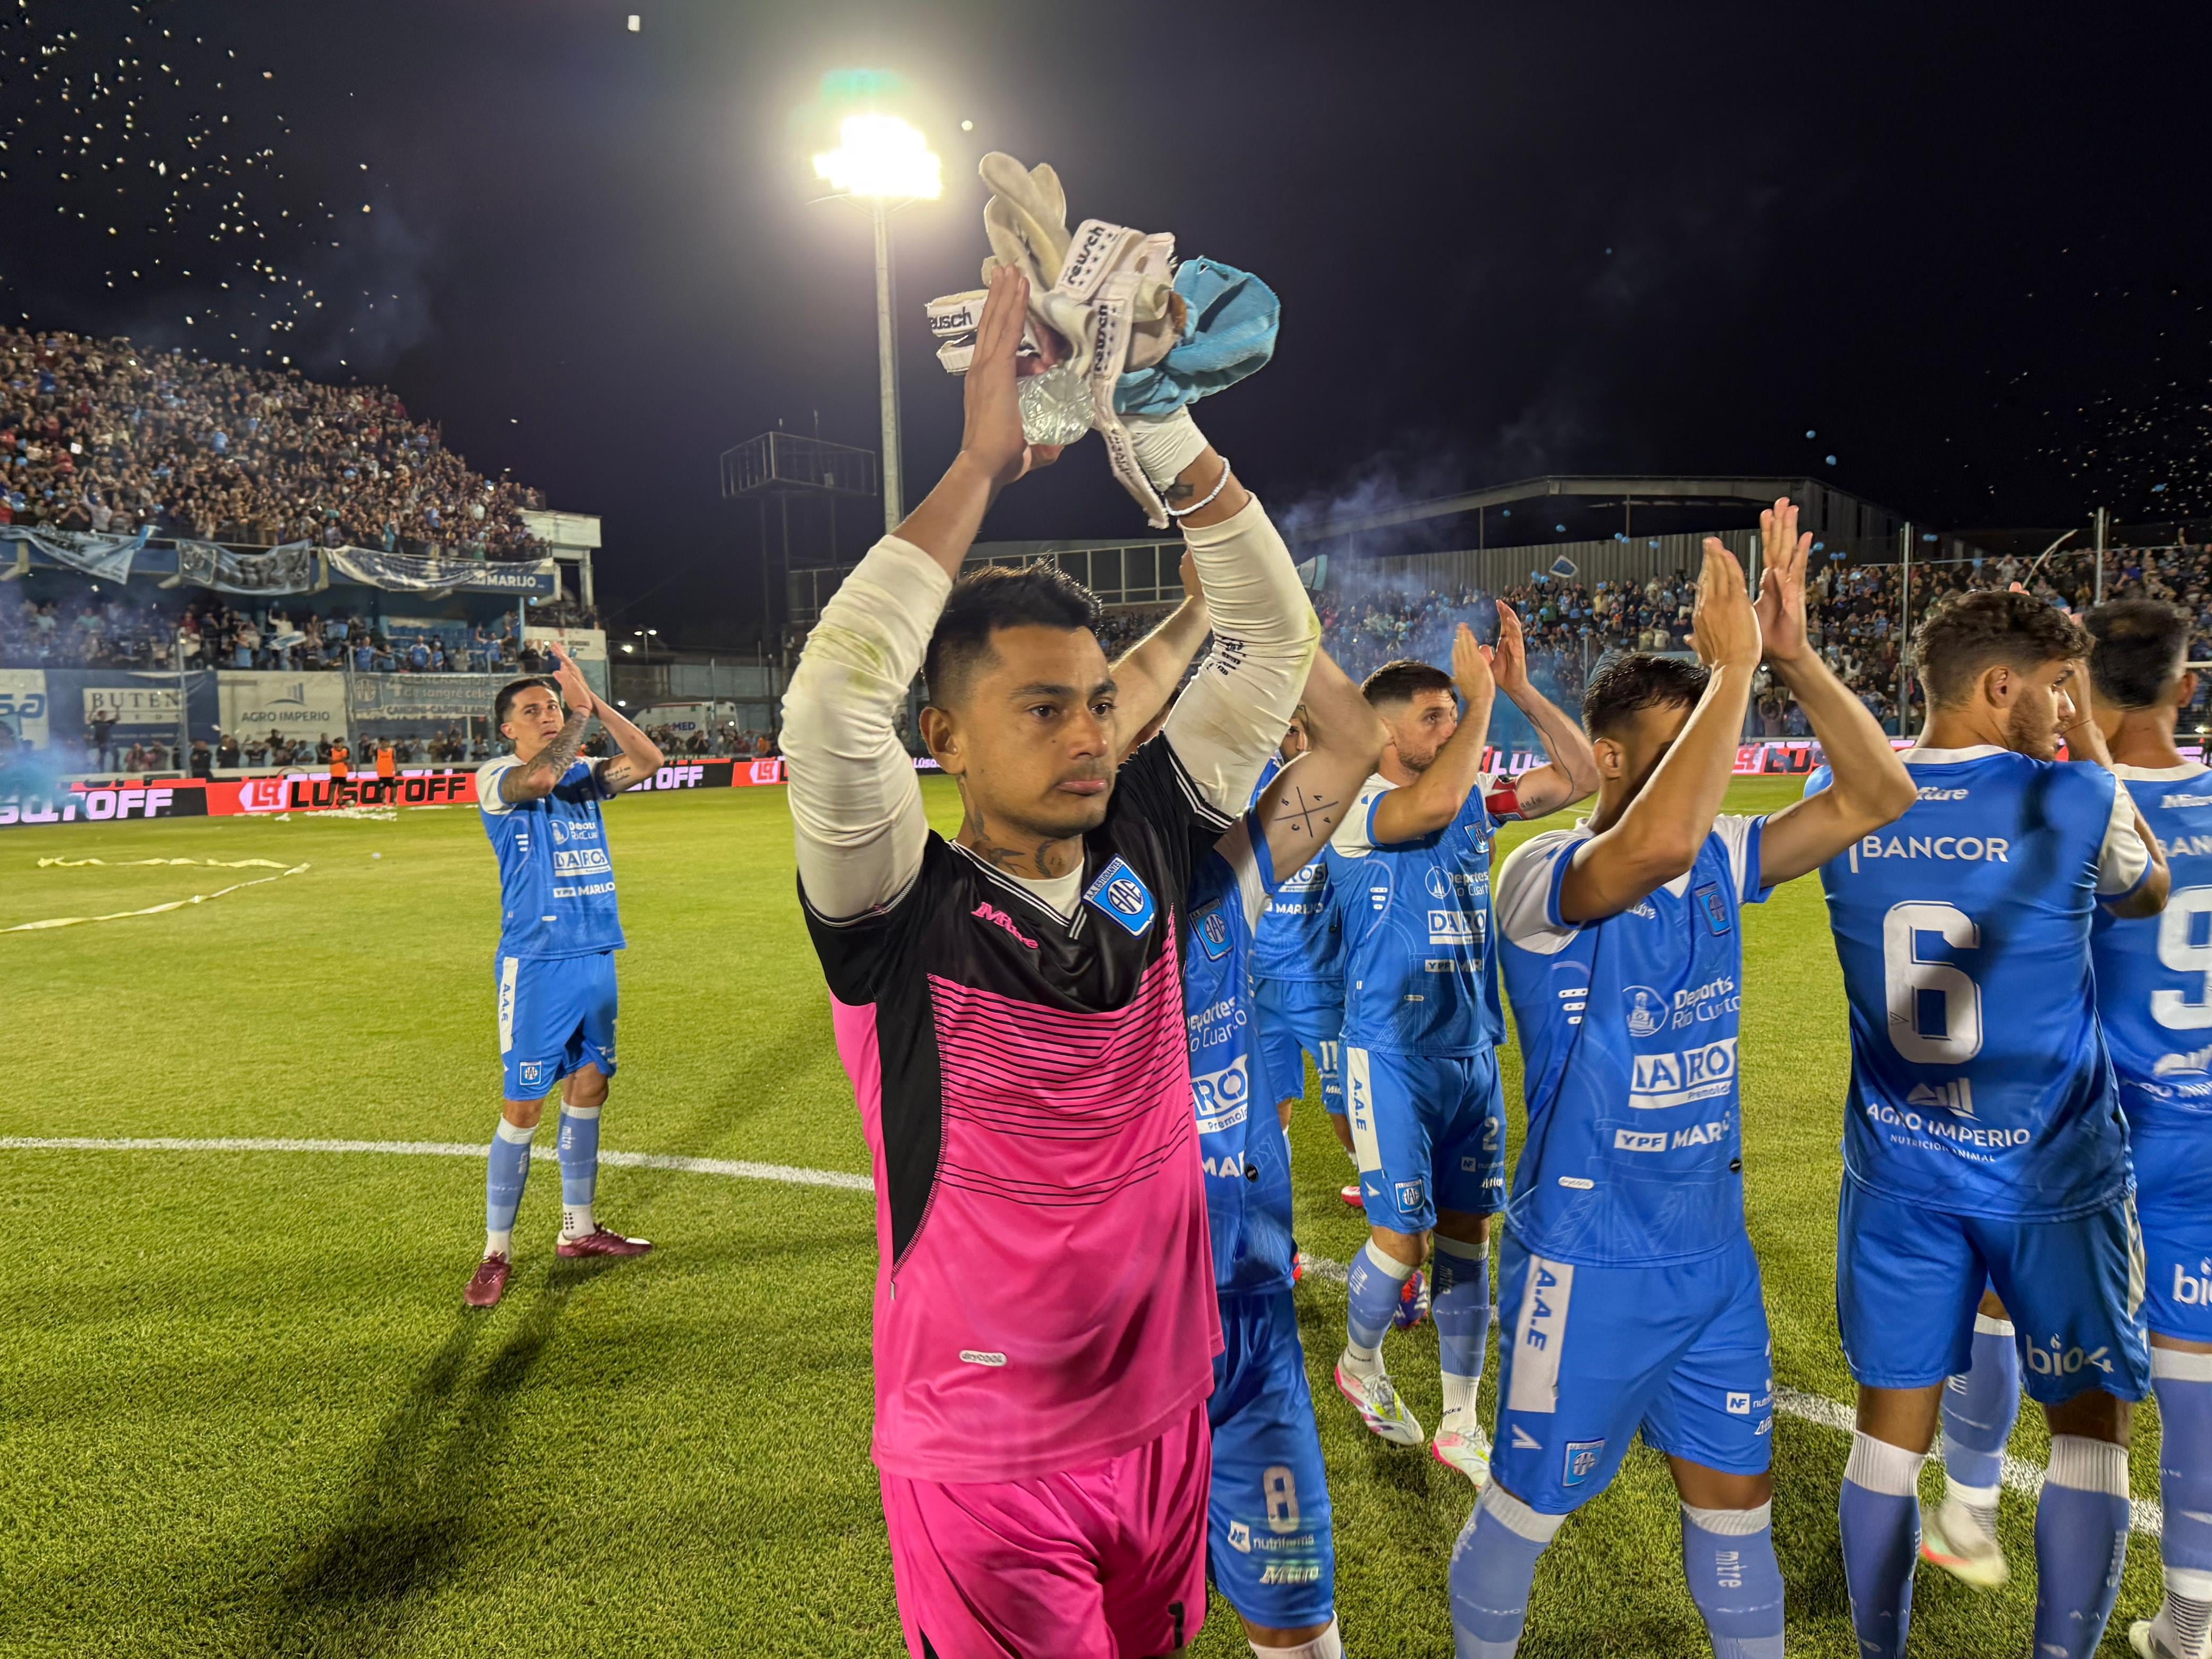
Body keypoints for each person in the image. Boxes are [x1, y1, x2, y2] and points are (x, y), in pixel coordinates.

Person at [780, 264, 1312, 1659]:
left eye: (1095, 703)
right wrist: (978, 464)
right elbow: (836, 705)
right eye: (1038, 709)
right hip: (986, 1458)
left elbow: (1275, 641)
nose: (1087, 731)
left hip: (1166, 1411)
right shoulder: (898, 912)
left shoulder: (1154, 834)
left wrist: (1166, 432)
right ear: (942, 741)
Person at [1455, 504, 1914, 1659]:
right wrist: (1735, 671)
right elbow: (1650, 845)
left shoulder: (1719, 851)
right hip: (1584, 1260)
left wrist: (1794, 661)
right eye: (1683, 747)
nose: (1705, 779)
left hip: (1713, 1260)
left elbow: (1876, 799)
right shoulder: (1536, 875)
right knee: (1521, 1518)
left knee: (1737, 1524)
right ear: (1609, 759)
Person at [1817, 588, 2168, 1659]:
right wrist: (2095, 757)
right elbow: (2146, 890)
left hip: (1899, 1174)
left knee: (1887, 1435)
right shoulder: (2070, 798)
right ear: (2000, 685)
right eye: (2060, 689)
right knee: (2091, 1431)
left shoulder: (1848, 804)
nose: (2072, 709)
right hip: (2051, 1172)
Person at [1917, 600, 2212, 1659]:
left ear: (2071, 686)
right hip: (2200, 1122)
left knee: (2001, 1308)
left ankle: (1968, 1506)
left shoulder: (2049, 803)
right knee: (2190, 1363)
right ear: (2187, 687)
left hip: (2075, 1124)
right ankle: (2193, 1613)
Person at [1327, 599, 1599, 1485]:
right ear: (1384, 730)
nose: (1451, 725)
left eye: (1455, 712)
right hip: (1391, 1050)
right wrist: (1480, 701)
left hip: (1471, 1052)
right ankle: (1359, 1366)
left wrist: (1515, 690)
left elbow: (1584, 773)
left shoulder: (1474, 804)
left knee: (1466, 1238)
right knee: (1398, 1241)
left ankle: (1458, 1420)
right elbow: (1435, 799)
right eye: (1433, 715)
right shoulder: (1359, 805)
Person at [463, 643, 666, 1309]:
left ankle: (577, 1229)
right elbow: (542, 780)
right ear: (507, 729)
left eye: (551, 706)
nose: (547, 716)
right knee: (523, 1107)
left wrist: (593, 703)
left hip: (594, 953)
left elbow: (649, 761)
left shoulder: (583, 776)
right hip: (538, 964)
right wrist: (577, 716)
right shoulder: (496, 777)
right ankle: (496, 1252)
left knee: (590, 1089)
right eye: (533, 710)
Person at [1246, 705, 1361, 1209]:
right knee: (1268, 1106)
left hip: (1321, 977)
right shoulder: (1252, 793)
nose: (1297, 740)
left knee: (1347, 1104)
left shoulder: (1346, 793)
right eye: (1289, 731)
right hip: (1260, 979)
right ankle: (1273, 1207)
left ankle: (1383, 1195)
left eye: (1305, 730)